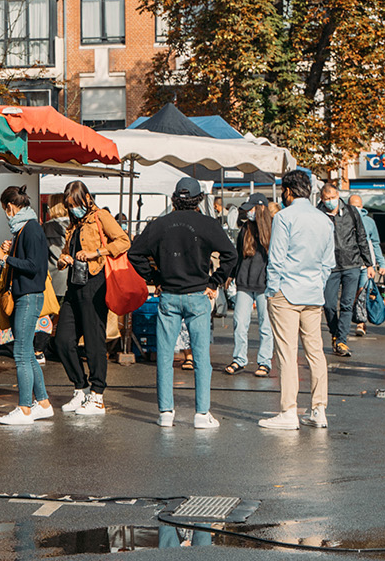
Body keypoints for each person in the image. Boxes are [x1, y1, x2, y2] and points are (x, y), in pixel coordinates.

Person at [128, 177, 237, 429]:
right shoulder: (207, 224)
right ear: (199, 199)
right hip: (198, 294)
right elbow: (231, 254)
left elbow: (135, 254)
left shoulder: (160, 224)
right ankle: (201, 413)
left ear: (175, 198)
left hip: (168, 295)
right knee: (200, 357)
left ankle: (166, 412)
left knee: (165, 356)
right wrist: (215, 281)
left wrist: (154, 277)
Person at [258, 169, 336, 430]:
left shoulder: (284, 217)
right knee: (315, 352)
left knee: (287, 353)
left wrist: (272, 290)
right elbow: (328, 262)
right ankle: (319, 409)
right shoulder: (324, 219)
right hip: (313, 293)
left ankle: (288, 411)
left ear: (288, 191)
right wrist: (317, 283)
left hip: (286, 292)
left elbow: (276, 259)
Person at [54, 180, 131, 416]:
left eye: (76, 204)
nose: (74, 209)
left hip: (95, 283)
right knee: (62, 340)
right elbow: (67, 253)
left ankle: (97, 395)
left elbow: (124, 240)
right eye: (70, 205)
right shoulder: (73, 224)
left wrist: (96, 252)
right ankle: (81, 388)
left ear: (87, 198)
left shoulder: (101, 216)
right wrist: (62, 259)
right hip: (73, 285)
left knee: (94, 341)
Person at [0, 185, 54, 425]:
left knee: (21, 353)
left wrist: (4, 257)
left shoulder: (31, 229)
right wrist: (10, 251)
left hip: (29, 296)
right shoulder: (25, 229)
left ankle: (25, 408)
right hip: (26, 295)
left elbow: (34, 266)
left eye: (5, 209)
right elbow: (28, 260)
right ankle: (44, 402)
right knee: (27, 353)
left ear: (10, 207)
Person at [316, 182, 374, 358]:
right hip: (330, 266)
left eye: (333, 198)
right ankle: (335, 333)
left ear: (338, 195)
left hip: (352, 264)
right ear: (322, 199)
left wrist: (369, 263)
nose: (331, 201)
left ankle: (341, 340)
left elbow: (361, 236)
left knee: (347, 304)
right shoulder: (318, 214)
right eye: (327, 199)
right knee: (329, 304)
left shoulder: (351, 212)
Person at [224, 193, 274, 377]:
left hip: (265, 283)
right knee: (239, 322)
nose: (248, 213)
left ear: (260, 208)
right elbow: (238, 254)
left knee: (265, 326)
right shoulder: (246, 228)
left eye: (251, 209)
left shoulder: (273, 228)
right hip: (245, 281)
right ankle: (239, 359)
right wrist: (232, 274)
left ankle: (264, 361)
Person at [31, 200, 71, 364]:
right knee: (65, 316)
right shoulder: (73, 227)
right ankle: (63, 348)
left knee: (46, 314)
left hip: (51, 279)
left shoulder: (46, 227)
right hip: (68, 278)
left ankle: (39, 350)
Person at [349, 195, 385, 337]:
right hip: (349, 265)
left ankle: (360, 323)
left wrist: (381, 263)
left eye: (358, 206)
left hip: (366, 265)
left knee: (362, 292)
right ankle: (353, 316)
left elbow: (375, 243)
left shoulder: (369, 222)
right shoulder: (345, 220)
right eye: (353, 206)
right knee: (351, 294)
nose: (356, 209)